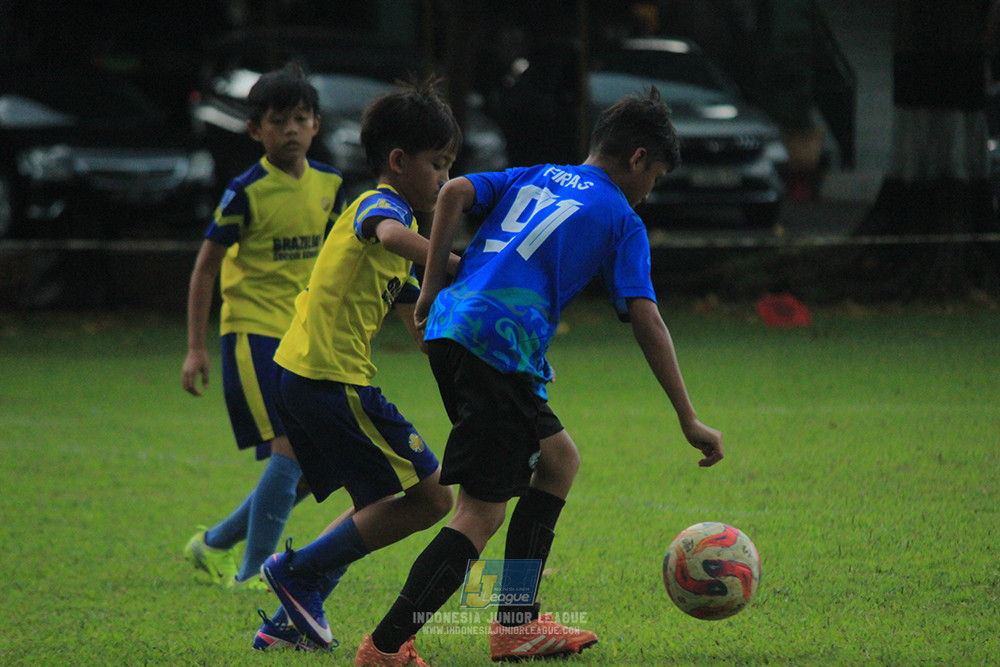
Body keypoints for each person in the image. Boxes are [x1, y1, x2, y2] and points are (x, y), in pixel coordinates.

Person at [353, 87, 726, 666]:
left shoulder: (540, 174)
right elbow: (646, 319)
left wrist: (430, 288)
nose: (650, 190)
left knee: (558, 461)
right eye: (654, 175)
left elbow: (453, 191)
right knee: (480, 511)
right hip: (499, 350)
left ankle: (516, 623)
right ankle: (385, 645)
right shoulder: (622, 219)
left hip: (456, 334)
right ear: (636, 159)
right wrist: (687, 416)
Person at [252, 78, 462, 652]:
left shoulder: (406, 226)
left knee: (374, 505)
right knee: (434, 498)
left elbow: (417, 324)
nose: (446, 180)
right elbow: (392, 235)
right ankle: (296, 572)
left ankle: (286, 619)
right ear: (398, 161)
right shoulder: (379, 206)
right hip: (328, 379)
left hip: (306, 377)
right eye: (439, 165)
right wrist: (459, 263)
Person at [182, 63, 346, 590]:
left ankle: (213, 544)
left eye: (302, 118)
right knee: (292, 449)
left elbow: (336, 262)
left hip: (305, 337)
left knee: (316, 457)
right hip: (253, 334)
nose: (292, 130)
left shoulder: (330, 186)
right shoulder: (246, 191)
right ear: (256, 130)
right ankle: (254, 574)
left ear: (317, 125)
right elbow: (206, 267)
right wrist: (195, 349)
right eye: (279, 121)